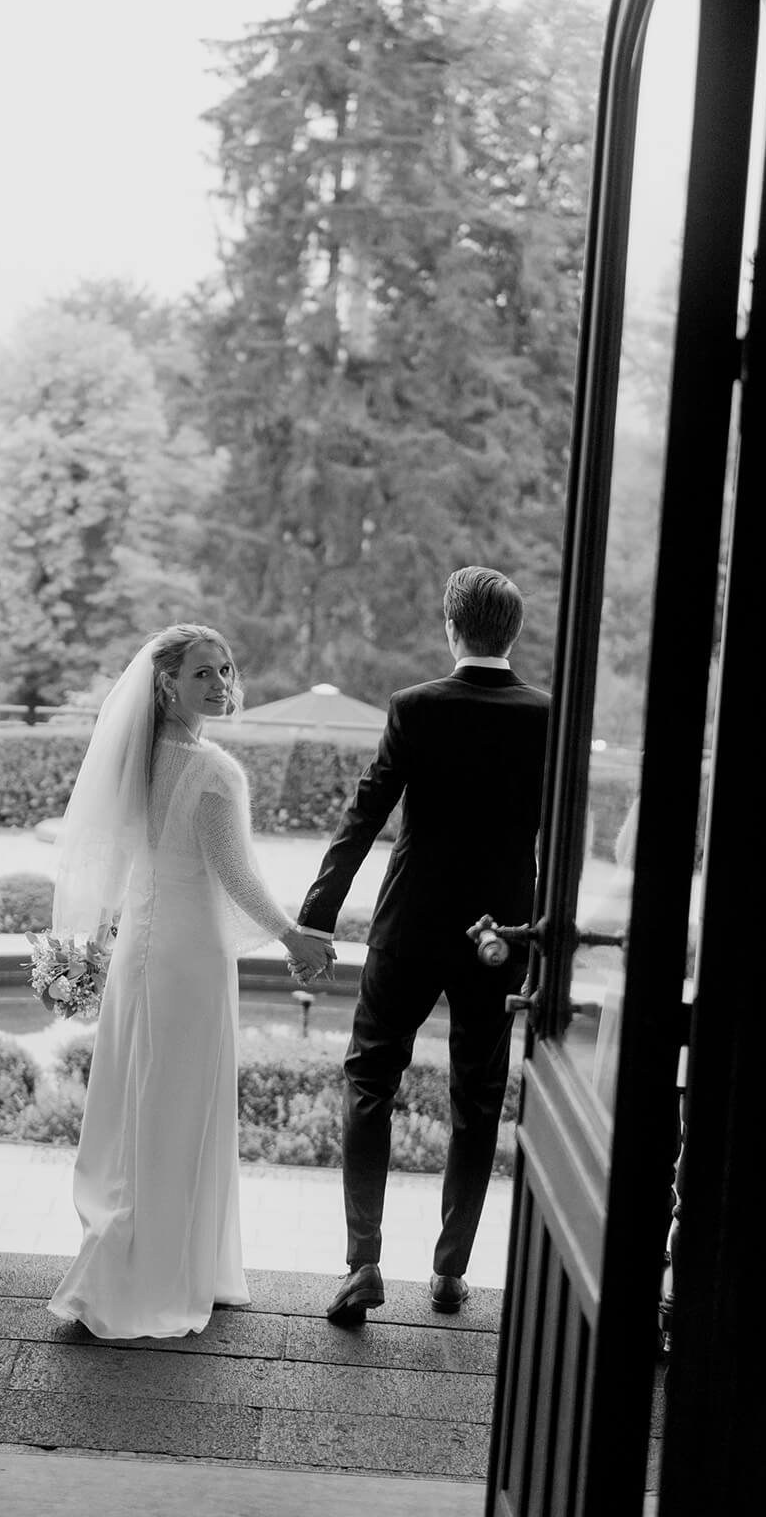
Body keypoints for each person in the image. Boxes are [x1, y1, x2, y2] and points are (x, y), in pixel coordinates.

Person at [47, 623, 336, 1340]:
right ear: (167, 683)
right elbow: (237, 877)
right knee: (179, 1114)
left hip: (144, 955)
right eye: (204, 673)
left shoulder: (137, 763)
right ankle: (157, 1276)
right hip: (187, 964)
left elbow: (114, 862)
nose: (222, 683)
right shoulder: (212, 772)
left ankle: (178, 1266)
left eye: (226, 670)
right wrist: (295, 937)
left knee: (142, 1110)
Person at [295, 567, 550, 1326]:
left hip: (408, 928)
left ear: (451, 626)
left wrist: (317, 916)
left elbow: (365, 813)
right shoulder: (548, 713)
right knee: (477, 1100)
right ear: (514, 633)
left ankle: (363, 1263)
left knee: (370, 1081)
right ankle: (449, 1274)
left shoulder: (415, 707)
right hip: (499, 938)